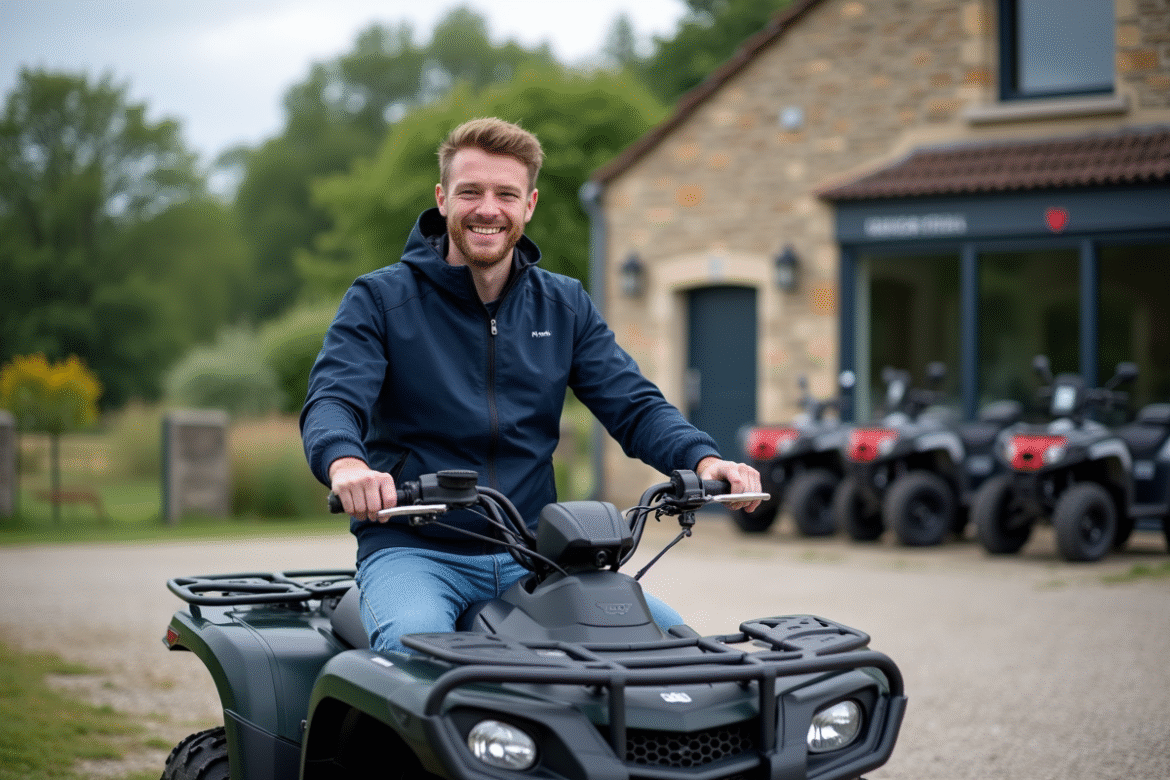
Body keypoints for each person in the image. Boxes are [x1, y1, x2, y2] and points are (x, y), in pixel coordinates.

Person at [301, 117, 761, 654]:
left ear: (530, 204)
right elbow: (333, 397)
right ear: (442, 199)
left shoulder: (562, 304)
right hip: (417, 549)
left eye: (506, 194)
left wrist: (704, 461)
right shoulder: (381, 299)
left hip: (535, 554)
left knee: (674, 649)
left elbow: (632, 404)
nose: (488, 208)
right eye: (470, 191)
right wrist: (347, 465)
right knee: (414, 656)